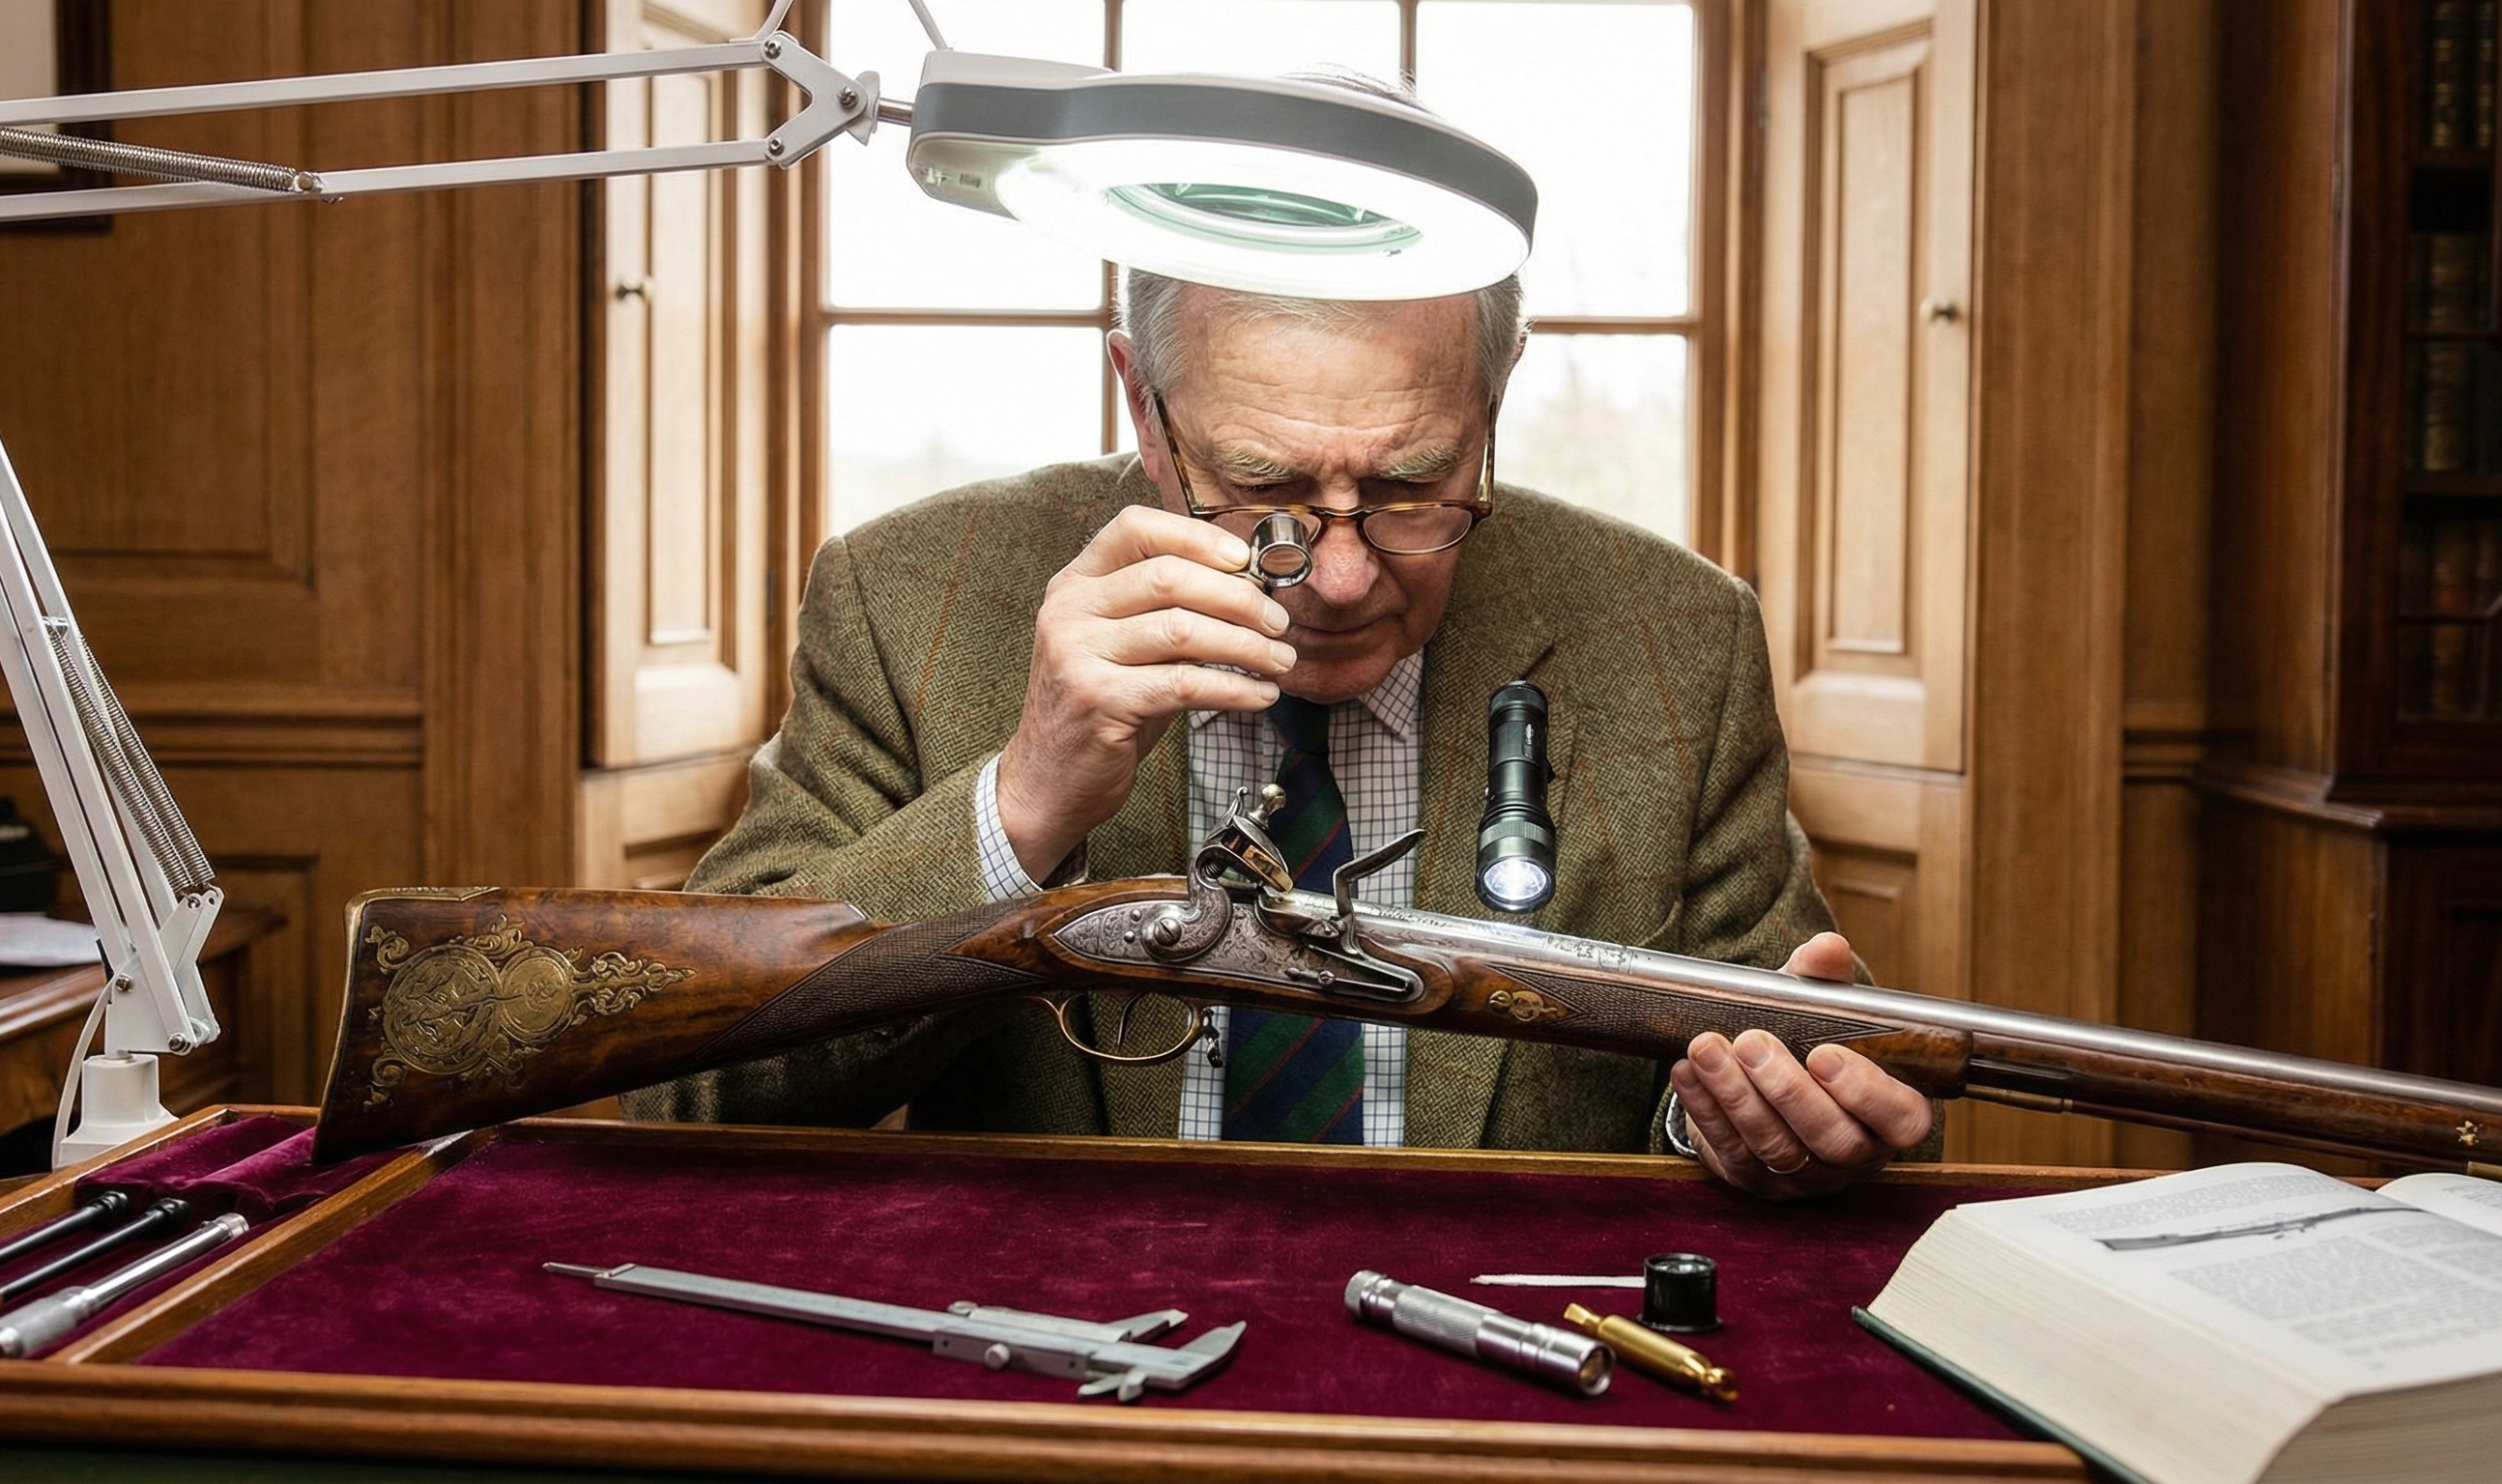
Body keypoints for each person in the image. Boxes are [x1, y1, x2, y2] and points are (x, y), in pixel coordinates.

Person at [626, 270, 1937, 1198]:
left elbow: (1778, 1072)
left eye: (1416, 483)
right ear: (1141, 405)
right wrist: (1020, 804)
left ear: (1497, 394)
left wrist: (1756, 1126)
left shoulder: (1675, 634)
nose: (1346, 576)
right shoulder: (908, 597)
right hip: (1056, 1383)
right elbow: (691, 1090)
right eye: (1263, 491)